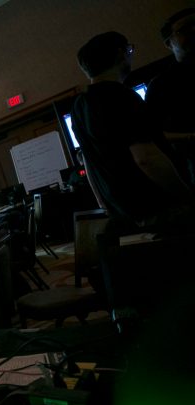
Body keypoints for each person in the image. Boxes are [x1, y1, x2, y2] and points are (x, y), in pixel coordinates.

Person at [70, 31, 194, 235]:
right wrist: (187, 196)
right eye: (130, 49)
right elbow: (146, 158)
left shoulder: (78, 107)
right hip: (157, 206)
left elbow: (90, 163)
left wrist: (104, 204)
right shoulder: (120, 96)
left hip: (125, 214)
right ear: (121, 53)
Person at [146, 8, 195, 187]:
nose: (194, 30)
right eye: (185, 29)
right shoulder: (161, 85)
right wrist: (190, 137)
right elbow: (153, 134)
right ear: (169, 43)